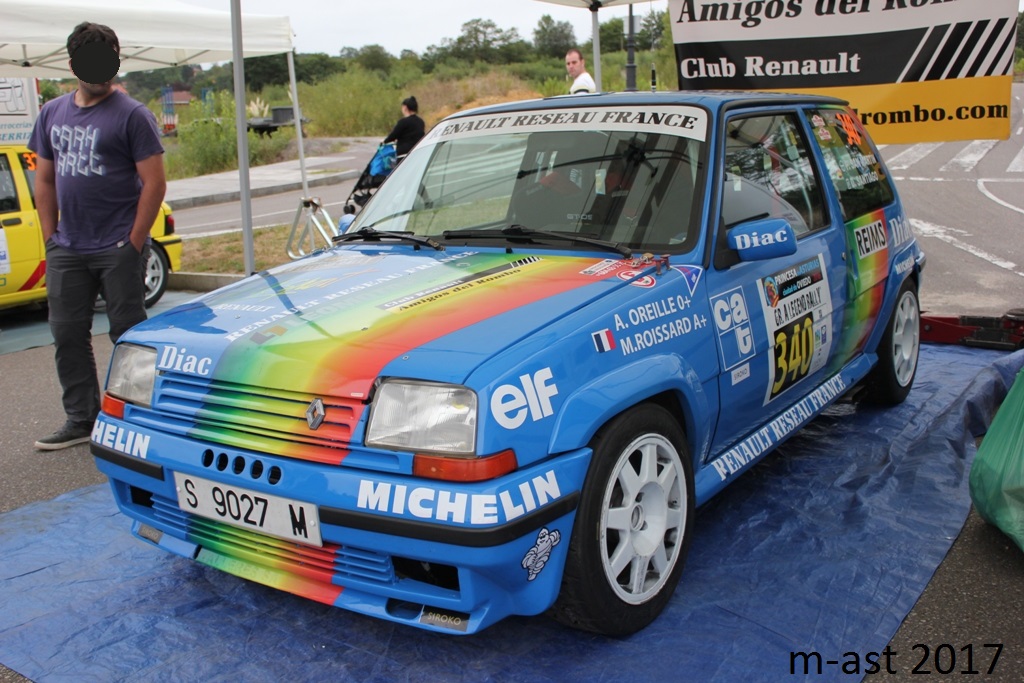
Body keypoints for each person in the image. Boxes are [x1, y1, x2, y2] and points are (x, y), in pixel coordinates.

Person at [28, 21, 166, 450]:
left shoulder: (133, 115)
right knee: (67, 334)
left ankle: (138, 419)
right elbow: (45, 181)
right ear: (72, 65)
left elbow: (155, 184)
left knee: (128, 336)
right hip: (68, 246)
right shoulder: (52, 112)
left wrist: (134, 242)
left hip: (118, 247)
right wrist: (51, 238)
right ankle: (81, 418)